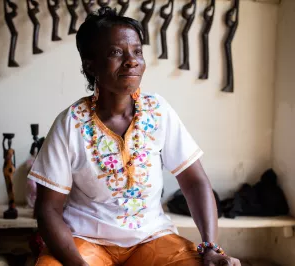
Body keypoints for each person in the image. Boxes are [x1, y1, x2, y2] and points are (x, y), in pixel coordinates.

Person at [28, 7, 241, 266]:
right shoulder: (70, 123)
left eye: (137, 51)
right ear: (90, 64)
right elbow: (48, 210)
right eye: (117, 52)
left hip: (151, 239)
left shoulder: (158, 111)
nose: (132, 61)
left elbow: (194, 181)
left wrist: (209, 247)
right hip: (85, 241)